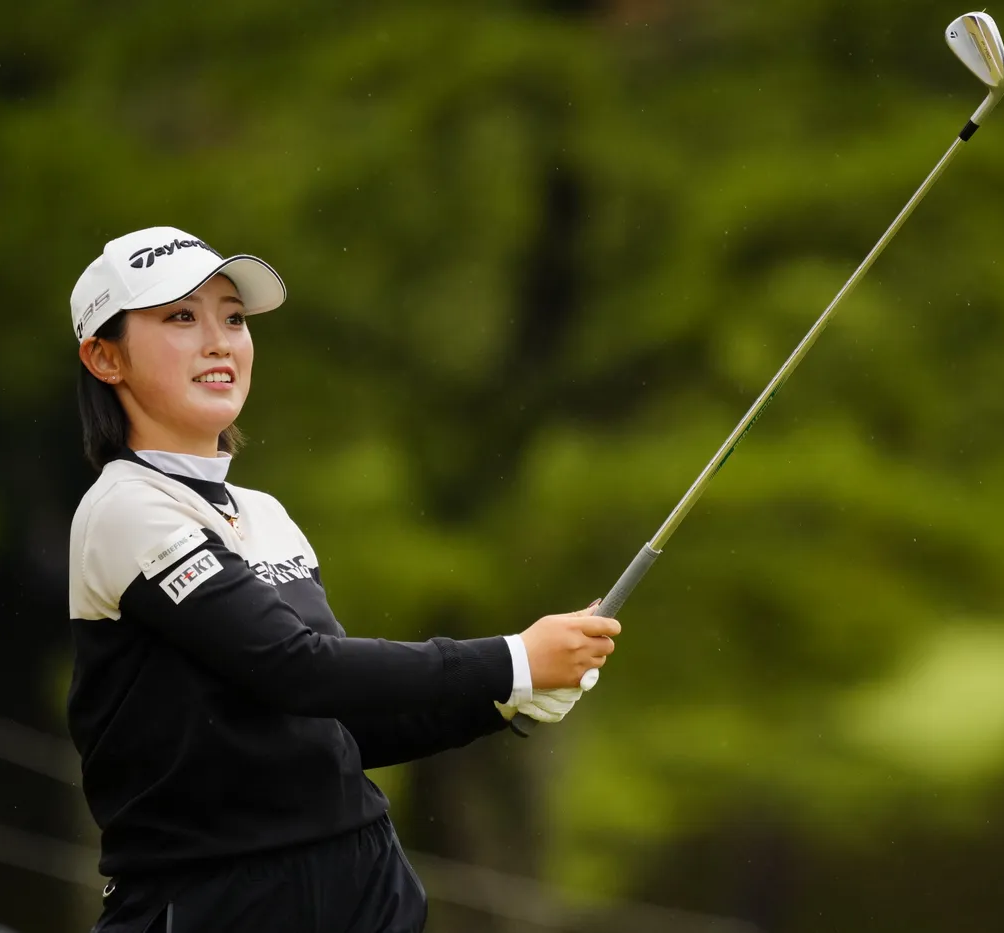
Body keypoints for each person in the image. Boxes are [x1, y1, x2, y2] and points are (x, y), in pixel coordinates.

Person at [65, 226, 619, 933]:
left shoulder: (265, 515)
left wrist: (505, 698)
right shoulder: (124, 509)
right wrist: (511, 658)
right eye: (180, 317)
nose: (219, 342)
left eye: (233, 318)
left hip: (363, 886)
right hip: (215, 902)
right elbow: (297, 669)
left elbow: (338, 724)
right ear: (104, 357)